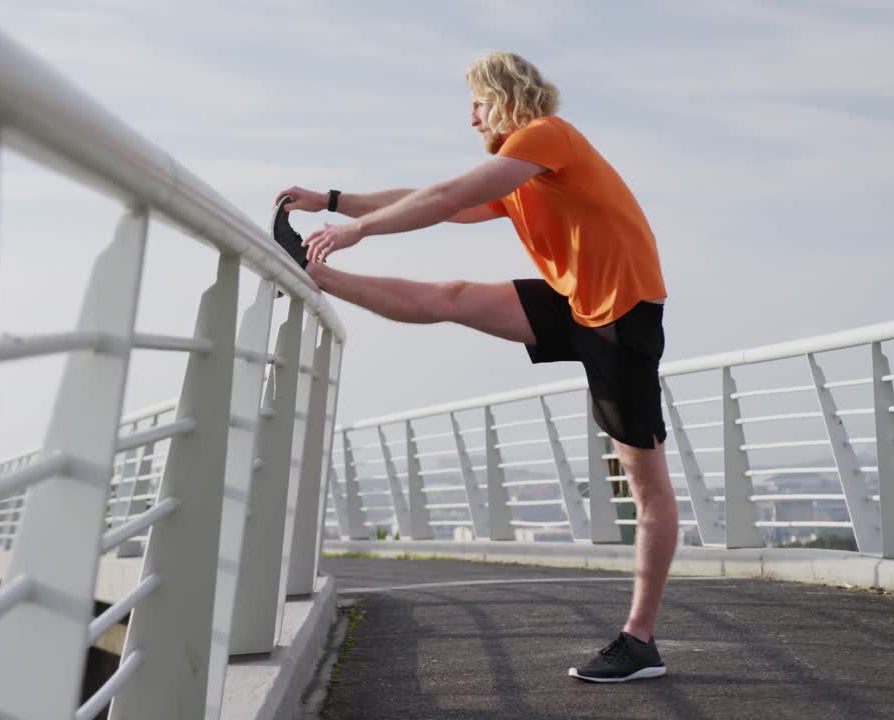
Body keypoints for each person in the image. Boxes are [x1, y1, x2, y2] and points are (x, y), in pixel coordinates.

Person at [274, 50, 676, 683]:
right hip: (576, 302)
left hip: (621, 316)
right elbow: (437, 201)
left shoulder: (546, 136)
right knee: (454, 297)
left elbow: (447, 196)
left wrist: (358, 230)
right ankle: (314, 273)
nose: (471, 118)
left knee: (646, 485)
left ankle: (640, 639)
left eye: (478, 104)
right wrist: (332, 201)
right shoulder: (519, 174)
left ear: (507, 98)